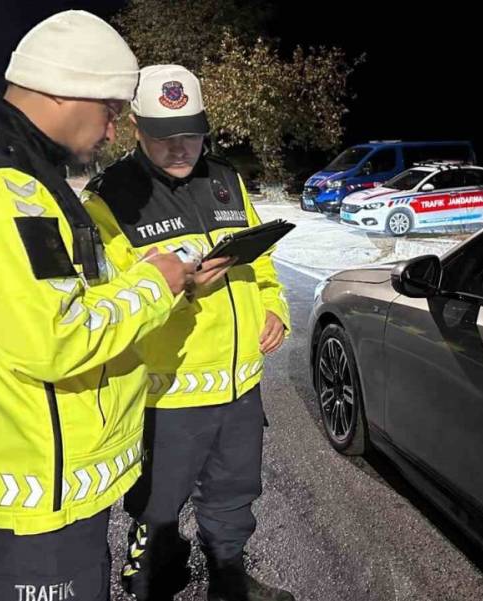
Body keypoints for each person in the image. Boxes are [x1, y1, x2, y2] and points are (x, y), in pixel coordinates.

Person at [0, 11, 195, 601]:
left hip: (57, 483)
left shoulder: (25, 174)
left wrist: (142, 274)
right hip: (37, 494)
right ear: (69, 90)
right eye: (112, 111)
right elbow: (54, 336)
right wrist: (155, 287)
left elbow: (68, 291)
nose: (113, 132)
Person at [81, 65, 293, 601]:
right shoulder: (110, 200)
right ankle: (151, 581)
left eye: (192, 135)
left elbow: (260, 265)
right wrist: (180, 286)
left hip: (240, 385)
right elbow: (104, 303)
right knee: (157, 505)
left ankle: (228, 581)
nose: (181, 150)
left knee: (234, 493)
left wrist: (273, 307)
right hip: (166, 394)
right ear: (135, 128)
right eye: (163, 138)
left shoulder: (226, 180)